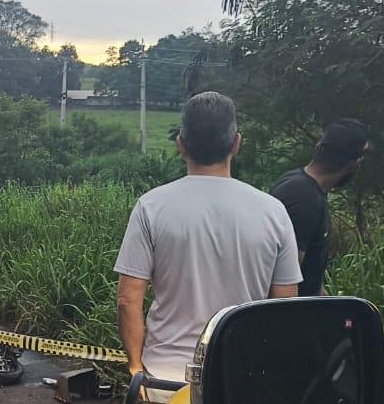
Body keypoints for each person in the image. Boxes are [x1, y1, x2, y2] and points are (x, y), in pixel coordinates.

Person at [115, 91, 302, 383]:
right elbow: (285, 310)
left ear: (181, 145)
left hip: (166, 375)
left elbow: (128, 299)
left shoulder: (151, 206)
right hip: (241, 379)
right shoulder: (273, 212)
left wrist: (136, 367)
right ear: (236, 144)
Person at [270, 119, 370, 296]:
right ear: (353, 164)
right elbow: (284, 280)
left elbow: (309, 276)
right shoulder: (303, 198)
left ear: (318, 148)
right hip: (291, 315)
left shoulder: (301, 185)